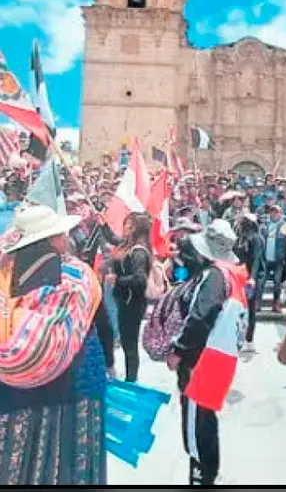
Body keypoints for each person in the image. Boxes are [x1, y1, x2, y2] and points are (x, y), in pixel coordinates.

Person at [0, 205, 113, 484]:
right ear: (54, 240)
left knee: (18, 461)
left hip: (12, 393)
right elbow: (104, 326)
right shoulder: (78, 275)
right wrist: (109, 360)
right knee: (69, 463)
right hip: (75, 388)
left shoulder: (4, 273)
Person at [168, 220, 248, 486]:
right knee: (205, 419)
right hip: (213, 360)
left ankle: (202, 477)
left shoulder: (214, 276)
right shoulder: (230, 275)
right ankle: (209, 473)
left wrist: (179, 350)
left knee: (196, 428)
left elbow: (200, 317)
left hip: (199, 362)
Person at [108, 212, 153, 383]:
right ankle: (130, 378)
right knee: (127, 343)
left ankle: (131, 380)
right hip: (124, 300)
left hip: (132, 303)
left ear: (135, 228)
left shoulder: (138, 252)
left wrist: (117, 280)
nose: (123, 227)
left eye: (127, 225)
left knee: (130, 344)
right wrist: (103, 224)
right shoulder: (127, 244)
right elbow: (113, 238)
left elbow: (140, 280)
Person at [233, 214, 263, 354]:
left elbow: (256, 259)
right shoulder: (241, 238)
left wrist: (252, 278)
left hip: (253, 276)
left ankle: (249, 340)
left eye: (243, 221)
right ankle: (240, 336)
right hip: (240, 275)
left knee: (251, 309)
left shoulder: (256, 238)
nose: (240, 223)